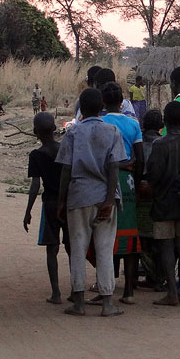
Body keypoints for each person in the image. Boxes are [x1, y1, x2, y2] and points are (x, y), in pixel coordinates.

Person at [56, 88, 128, 317]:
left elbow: (66, 170)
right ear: (101, 108)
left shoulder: (72, 133)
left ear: (80, 110)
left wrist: (61, 200)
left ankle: (79, 302)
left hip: (78, 197)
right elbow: (114, 167)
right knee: (105, 249)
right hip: (104, 197)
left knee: (77, 249)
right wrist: (109, 200)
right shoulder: (112, 131)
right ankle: (107, 304)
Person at [96, 82, 144, 305]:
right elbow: (140, 158)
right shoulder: (133, 123)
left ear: (103, 102)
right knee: (130, 234)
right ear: (123, 101)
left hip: (107, 181)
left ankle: (106, 284)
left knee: (106, 235)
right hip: (130, 182)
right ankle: (129, 291)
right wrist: (138, 177)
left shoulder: (101, 123)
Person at [147, 101, 180, 306]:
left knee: (166, 246)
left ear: (165, 121)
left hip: (163, 203)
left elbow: (153, 175)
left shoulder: (159, 145)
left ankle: (172, 293)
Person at [23, 112, 71, 304]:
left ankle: (56, 293)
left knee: (52, 249)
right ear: (54, 129)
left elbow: (35, 185)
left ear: (35, 132)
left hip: (49, 204)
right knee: (71, 247)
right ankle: (77, 289)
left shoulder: (36, 155)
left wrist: (27, 211)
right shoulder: (64, 150)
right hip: (67, 203)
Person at [136, 109, 164, 291]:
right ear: (161, 126)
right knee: (158, 240)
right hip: (158, 195)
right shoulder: (162, 143)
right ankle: (158, 277)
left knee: (143, 239)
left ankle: (150, 275)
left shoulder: (136, 143)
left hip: (139, 194)